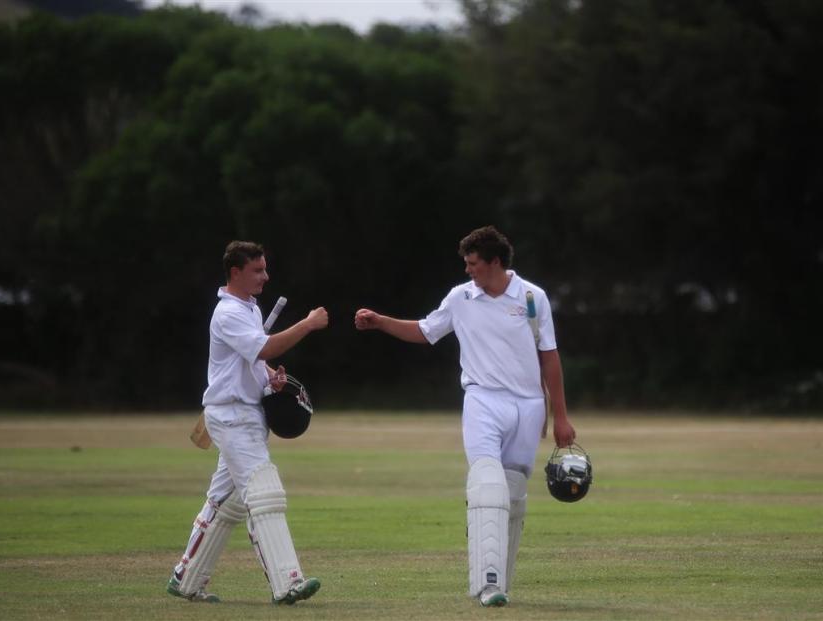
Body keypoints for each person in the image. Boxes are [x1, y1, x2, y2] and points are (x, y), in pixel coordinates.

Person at [354, 225, 576, 607]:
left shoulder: (531, 297)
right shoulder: (461, 297)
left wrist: (560, 416)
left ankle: (500, 584)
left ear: (494, 262)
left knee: (514, 495)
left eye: (473, 263)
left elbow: (549, 356)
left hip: (527, 405)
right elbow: (426, 331)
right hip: (482, 399)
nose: (468, 270)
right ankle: (486, 584)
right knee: (487, 483)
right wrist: (381, 322)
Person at [167, 240, 329, 605]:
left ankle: (186, 578)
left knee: (226, 502)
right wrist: (306, 324)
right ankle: (287, 582)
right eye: (257, 270)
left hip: (245, 412)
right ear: (235, 272)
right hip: (232, 415)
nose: (265, 276)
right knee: (264, 493)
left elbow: (254, 359)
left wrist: (269, 376)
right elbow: (264, 347)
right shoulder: (228, 314)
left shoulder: (248, 309)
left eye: (265, 268)